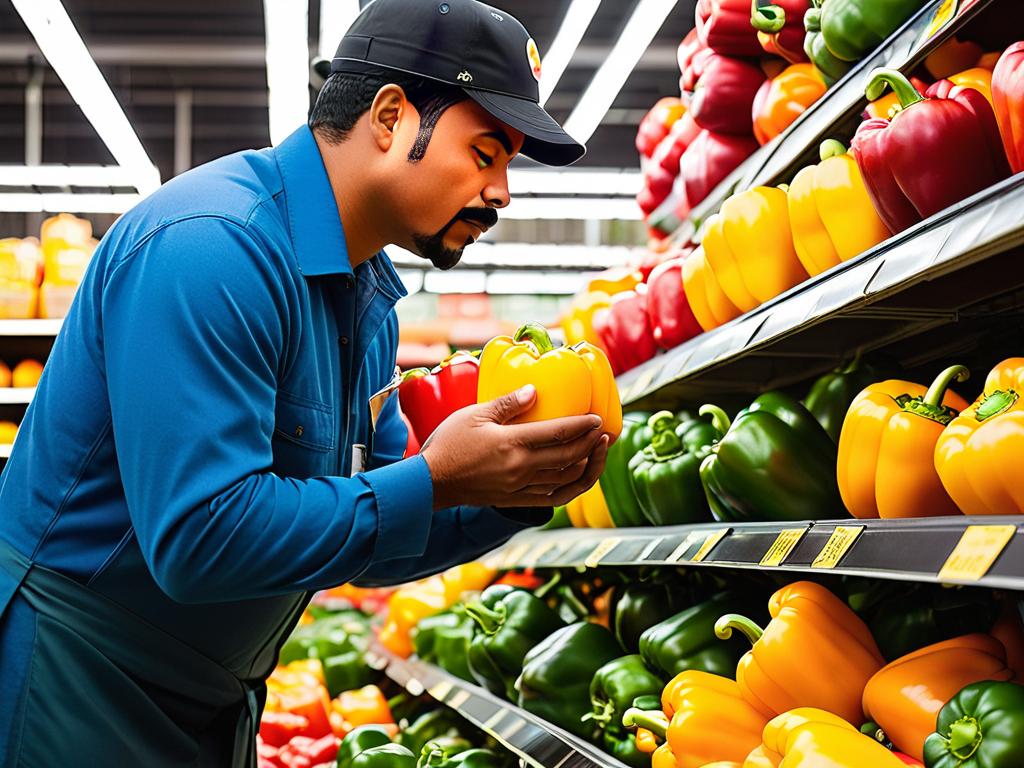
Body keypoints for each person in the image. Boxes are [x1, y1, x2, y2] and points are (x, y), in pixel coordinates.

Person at [0, 1, 611, 764]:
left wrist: (510, 493)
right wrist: (436, 478)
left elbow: (375, 531)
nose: (501, 193)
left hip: (217, 692)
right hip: (80, 675)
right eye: (485, 152)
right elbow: (199, 537)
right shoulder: (212, 248)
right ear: (390, 118)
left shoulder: (367, 301)